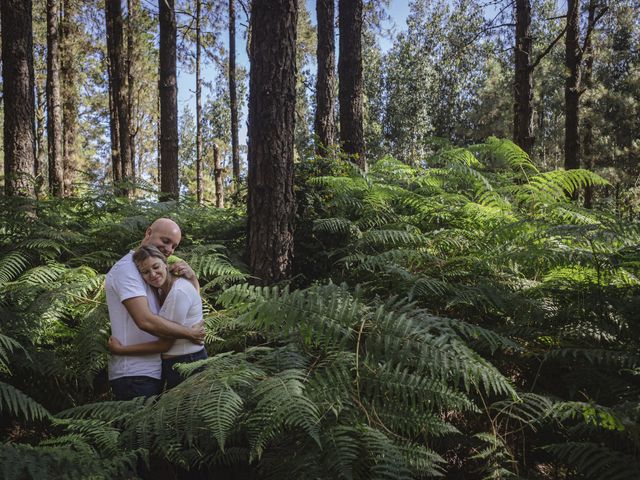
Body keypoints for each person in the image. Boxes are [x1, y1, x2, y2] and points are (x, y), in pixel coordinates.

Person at [106, 218, 205, 400]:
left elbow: (186, 304)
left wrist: (193, 279)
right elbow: (145, 320)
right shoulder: (128, 269)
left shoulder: (149, 271)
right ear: (148, 232)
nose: (169, 249)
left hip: (151, 371)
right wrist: (189, 333)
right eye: (165, 241)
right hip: (133, 374)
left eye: (174, 246)